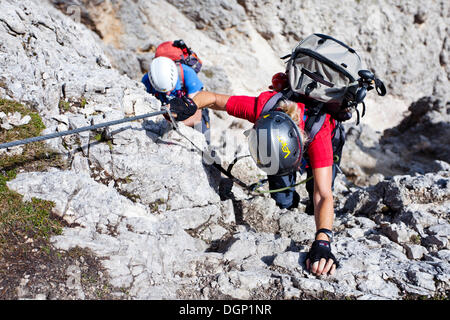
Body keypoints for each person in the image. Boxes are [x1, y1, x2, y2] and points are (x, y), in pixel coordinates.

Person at [167, 85, 339, 277]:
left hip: (322, 143)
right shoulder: (261, 108)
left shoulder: (321, 135)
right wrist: (187, 104)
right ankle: (288, 207)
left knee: (315, 186)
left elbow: (323, 194)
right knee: (282, 197)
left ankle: (309, 213)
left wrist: (323, 240)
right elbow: (213, 98)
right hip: (276, 152)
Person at [142, 56, 210, 141]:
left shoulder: (188, 74)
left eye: (170, 89)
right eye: (164, 91)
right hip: (168, 116)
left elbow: (196, 116)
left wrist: (174, 127)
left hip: (191, 112)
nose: (168, 93)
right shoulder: (146, 81)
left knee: (203, 140)